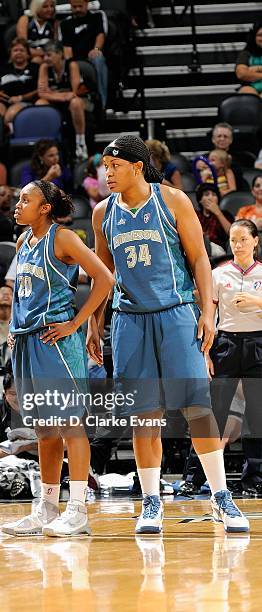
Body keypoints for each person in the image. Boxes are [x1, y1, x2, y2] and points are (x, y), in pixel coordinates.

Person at [87, 134, 249, 534]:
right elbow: (102, 276)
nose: (107, 174)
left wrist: (209, 311)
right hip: (129, 320)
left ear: (137, 166)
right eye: (104, 167)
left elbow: (199, 259)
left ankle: (220, 497)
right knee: (145, 415)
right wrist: (95, 323)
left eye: (114, 166)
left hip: (176, 314)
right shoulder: (102, 212)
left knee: (197, 409)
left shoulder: (172, 200)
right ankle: (151, 501)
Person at [2, 180, 114, 537]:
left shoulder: (63, 239)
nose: (17, 205)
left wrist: (76, 324)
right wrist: (14, 326)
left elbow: (104, 278)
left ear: (45, 207)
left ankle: (78, 508)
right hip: (25, 341)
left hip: (56, 342)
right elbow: (24, 293)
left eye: (25, 199)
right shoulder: (23, 242)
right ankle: (47, 507)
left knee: (70, 425)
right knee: (44, 430)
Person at [209, 220, 262, 493]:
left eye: (243, 239)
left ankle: (253, 479)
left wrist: (256, 302)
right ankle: (201, 477)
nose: (237, 245)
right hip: (225, 343)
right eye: (233, 240)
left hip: (257, 344)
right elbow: (208, 315)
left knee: (256, 415)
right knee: (214, 412)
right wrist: (205, 351)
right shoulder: (218, 274)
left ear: (255, 241)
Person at [36, 41, 88, 160]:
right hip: (56, 102)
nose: (45, 58)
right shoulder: (44, 67)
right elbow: (42, 93)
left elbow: (74, 93)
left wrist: (52, 93)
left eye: (49, 55)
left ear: (59, 54)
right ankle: (46, 143)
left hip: (73, 102)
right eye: (44, 55)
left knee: (76, 103)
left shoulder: (71, 65)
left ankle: (81, 142)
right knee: (39, 103)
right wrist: (62, 96)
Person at [0, 359, 38, 460]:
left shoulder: (44, 408)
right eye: (12, 394)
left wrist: (39, 444)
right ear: (4, 393)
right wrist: (23, 447)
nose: (19, 399)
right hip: (8, 465)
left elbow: (66, 442)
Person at [59, 0, 108, 108]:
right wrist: (70, 62)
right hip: (76, 58)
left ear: (86, 4)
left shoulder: (96, 17)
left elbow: (100, 35)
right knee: (69, 64)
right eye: (74, 7)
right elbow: (67, 48)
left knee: (98, 58)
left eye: (80, 6)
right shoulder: (65, 23)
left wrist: (96, 49)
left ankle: (102, 102)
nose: (77, 9)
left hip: (92, 55)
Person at [0, 38, 39, 126]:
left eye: (22, 50)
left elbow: (40, 90)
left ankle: (9, 137)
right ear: (10, 54)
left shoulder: (36, 68)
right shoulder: (1, 68)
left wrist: (21, 98)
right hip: (3, 101)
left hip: (26, 102)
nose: (18, 53)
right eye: (15, 50)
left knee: (11, 114)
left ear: (28, 54)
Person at [16, 0, 58, 65]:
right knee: (37, 60)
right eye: (45, 7)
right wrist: (39, 53)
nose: (50, 9)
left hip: (49, 57)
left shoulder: (54, 23)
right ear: (36, 7)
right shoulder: (25, 20)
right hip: (29, 56)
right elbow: (22, 45)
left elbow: (56, 45)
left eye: (52, 6)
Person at [195, 183, 233, 250]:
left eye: (214, 195)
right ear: (200, 200)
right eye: (206, 195)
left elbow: (233, 233)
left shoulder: (225, 214)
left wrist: (218, 213)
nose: (210, 198)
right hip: (198, 247)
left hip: (218, 249)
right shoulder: (195, 215)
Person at [235, 21, 262, 97]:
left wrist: (253, 69)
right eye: (259, 35)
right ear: (254, 37)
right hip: (250, 88)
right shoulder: (246, 54)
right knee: (248, 94)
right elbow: (241, 74)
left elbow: (247, 73)